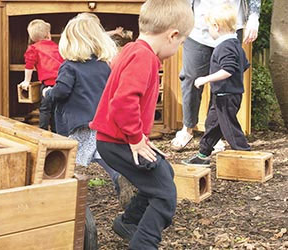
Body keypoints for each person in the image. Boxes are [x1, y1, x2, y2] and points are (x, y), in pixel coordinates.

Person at [89, 0, 194, 248]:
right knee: (165, 194)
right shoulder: (143, 58)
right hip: (119, 141)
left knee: (163, 173)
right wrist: (137, 139)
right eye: (181, 43)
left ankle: (128, 222)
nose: (179, 48)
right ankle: (144, 244)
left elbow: (117, 77)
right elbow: (123, 103)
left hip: (114, 140)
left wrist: (138, 138)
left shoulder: (132, 50)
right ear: (172, 35)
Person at [42, 13, 131, 204]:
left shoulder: (69, 67)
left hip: (78, 124)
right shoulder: (103, 66)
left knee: (67, 159)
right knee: (102, 155)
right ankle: (121, 177)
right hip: (99, 121)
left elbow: (62, 92)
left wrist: (48, 93)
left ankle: (62, 195)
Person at [171, 0, 261, 151]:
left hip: (231, 26)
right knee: (191, 78)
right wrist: (181, 21)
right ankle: (187, 128)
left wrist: (253, 17)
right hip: (198, 27)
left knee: (223, 85)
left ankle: (214, 134)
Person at [182, 4, 251, 167]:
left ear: (216, 27)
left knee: (229, 128)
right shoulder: (235, 45)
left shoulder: (224, 47)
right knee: (212, 125)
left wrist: (205, 79)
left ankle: (246, 154)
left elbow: (227, 70)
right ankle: (203, 154)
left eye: (209, 28)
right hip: (223, 95)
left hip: (226, 96)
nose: (209, 32)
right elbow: (244, 65)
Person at [18, 19, 64, 132]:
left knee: (45, 109)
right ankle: (55, 133)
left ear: (32, 37)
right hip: (60, 83)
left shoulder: (33, 49)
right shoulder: (56, 46)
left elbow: (29, 65)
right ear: (48, 34)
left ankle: (42, 132)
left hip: (48, 84)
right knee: (56, 110)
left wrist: (26, 81)